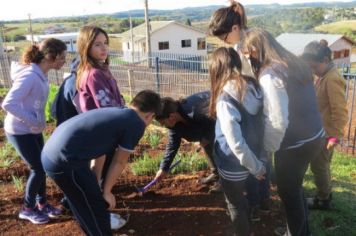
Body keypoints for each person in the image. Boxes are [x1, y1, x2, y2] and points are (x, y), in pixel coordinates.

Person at [41, 90, 161, 236]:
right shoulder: (135, 123)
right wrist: (107, 192)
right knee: (95, 207)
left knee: (82, 201)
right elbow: (119, 161)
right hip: (65, 161)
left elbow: (100, 152)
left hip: (51, 153)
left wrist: (96, 182)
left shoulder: (118, 111)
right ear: (150, 115)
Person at [240, 28, 324, 236]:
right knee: (296, 188)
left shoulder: (270, 74)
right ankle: (300, 231)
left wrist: (268, 150)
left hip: (295, 145)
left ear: (255, 49)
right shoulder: (294, 63)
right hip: (315, 137)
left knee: (289, 195)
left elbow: (277, 120)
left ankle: (296, 233)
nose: (250, 60)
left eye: (249, 54)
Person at [209, 0, 271, 219]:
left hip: (258, 104)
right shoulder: (238, 46)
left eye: (224, 37)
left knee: (257, 154)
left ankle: (259, 202)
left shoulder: (255, 42)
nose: (224, 42)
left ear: (235, 28)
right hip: (251, 102)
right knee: (256, 155)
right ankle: (260, 201)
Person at [1, 38, 67, 224]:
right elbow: (8, 103)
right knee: (38, 168)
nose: (64, 61)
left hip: (32, 129)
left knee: (41, 167)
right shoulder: (30, 75)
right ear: (50, 57)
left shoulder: (41, 74)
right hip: (19, 130)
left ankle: (41, 204)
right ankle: (27, 209)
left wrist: (36, 122)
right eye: (62, 57)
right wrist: (32, 121)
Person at [209, 47, 266, 236]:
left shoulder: (226, 98)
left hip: (233, 164)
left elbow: (235, 143)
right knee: (250, 195)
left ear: (216, 69)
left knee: (235, 204)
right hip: (254, 157)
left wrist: (255, 167)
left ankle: (242, 232)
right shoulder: (255, 86)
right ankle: (254, 215)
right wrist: (257, 164)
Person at [301, 41, 348, 210]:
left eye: (314, 67)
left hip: (326, 134)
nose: (313, 71)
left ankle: (323, 199)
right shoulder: (323, 76)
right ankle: (325, 193)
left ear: (326, 60)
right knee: (321, 166)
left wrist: (334, 136)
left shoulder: (332, 79)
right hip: (320, 131)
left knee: (319, 167)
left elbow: (340, 112)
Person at [154, 92, 220, 191]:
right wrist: (163, 168)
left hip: (219, 113)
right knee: (205, 142)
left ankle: (226, 181)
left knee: (219, 145)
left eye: (163, 122)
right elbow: (172, 145)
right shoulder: (174, 124)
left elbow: (214, 123)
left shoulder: (195, 110)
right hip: (208, 121)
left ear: (171, 116)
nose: (164, 125)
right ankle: (216, 174)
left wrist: (207, 137)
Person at [76, 25, 125, 112]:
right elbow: (108, 109)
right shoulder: (93, 74)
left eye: (105, 43)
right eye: (97, 44)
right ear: (86, 48)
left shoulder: (102, 69)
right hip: (105, 123)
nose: (104, 48)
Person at [51, 56, 80, 126]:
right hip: (74, 128)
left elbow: (53, 111)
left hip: (63, 126)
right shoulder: (78, 84)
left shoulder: (68, 80)